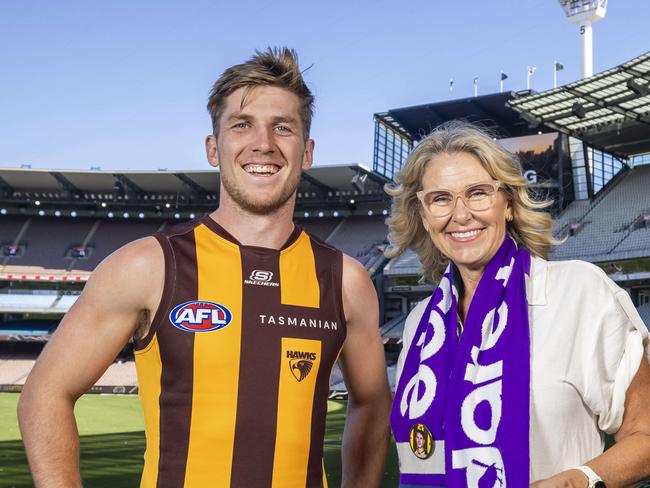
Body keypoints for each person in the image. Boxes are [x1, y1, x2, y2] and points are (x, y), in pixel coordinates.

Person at [18, 47, 391, 488]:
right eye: (242, 124)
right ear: (213, 148)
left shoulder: (346, 279)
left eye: (283, 128)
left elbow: (370, 401)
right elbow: (44, 394)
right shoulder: (148, 265)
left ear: (306, 151)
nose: (263, 143)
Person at [385, 121, 650, 487]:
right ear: (424, 214)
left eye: (477, 193)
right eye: (441, 198)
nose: (460, 214)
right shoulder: (419, 324)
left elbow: (645, 435)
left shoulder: (577, 292)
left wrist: (578, 480)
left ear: (507, 203)